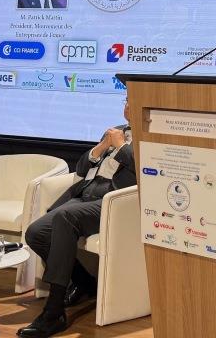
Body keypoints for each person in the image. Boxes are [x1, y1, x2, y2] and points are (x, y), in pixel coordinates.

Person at [17, 101, 134, 338]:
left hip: (113, 201)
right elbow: (81, 169)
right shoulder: (115, 131)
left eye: (133, 100)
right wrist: (102, 146)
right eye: (126, 100)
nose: (127, 105)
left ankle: (53, 312)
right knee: (36, 233)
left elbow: (146, 168)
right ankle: (84, 282)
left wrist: (121, 146)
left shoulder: (152, 136)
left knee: (65, 217)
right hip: (84, 194)